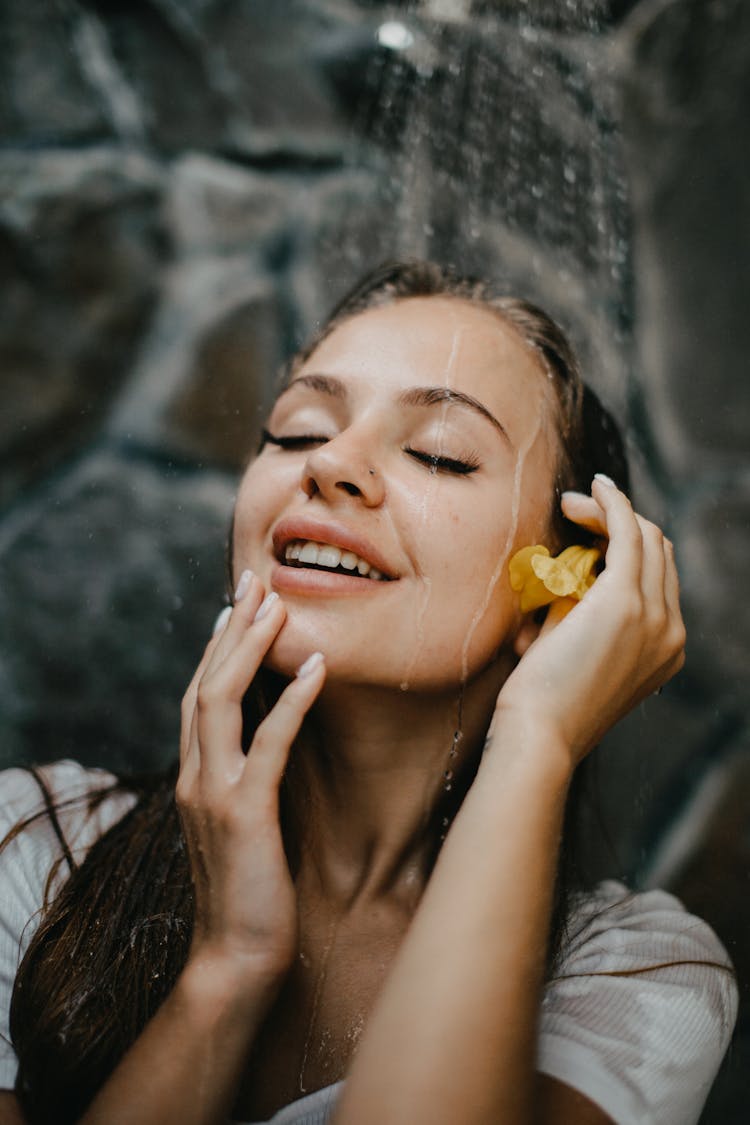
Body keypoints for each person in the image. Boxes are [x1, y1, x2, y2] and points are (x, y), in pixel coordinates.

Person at [0, 261, 737, 1125]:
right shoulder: (33, 845)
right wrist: (228, 970)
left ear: (564, 595)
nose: (333, 464)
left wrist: (536, 734)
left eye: (441, 454)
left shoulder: (632, 981)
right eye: (296, 432)